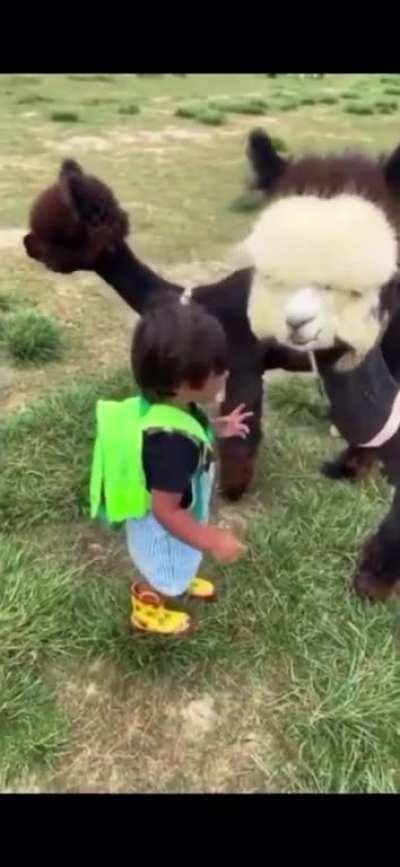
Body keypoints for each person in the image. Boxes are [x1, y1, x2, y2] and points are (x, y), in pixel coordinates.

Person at [90, 300, 252, 636]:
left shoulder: (167, 402)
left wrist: (218, 427)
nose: (225, 373)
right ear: (182, 382)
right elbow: (166, 512)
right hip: (164, 531)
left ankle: (179, 575)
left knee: (182, 559)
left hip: (176, 516)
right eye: (217, 369)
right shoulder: (170, 445)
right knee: (163, 570)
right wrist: (212, 539)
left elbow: (190, 423)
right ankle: (148, 605)